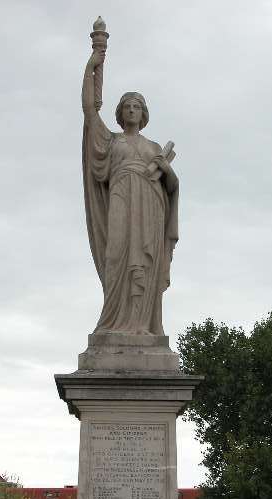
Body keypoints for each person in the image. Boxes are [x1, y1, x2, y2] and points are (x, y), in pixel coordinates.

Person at [82, 48, 179, 336]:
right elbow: (89, 112)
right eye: (127, 107)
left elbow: (172, 187)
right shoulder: (111, 142)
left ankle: (142, 326)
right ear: (120, 114)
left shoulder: (152, 147)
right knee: (116, 256)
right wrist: (92, 66)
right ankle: (113, 322)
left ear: (143, 113)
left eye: (136, 107)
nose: (131, 111)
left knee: (145, 265)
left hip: (150, 206)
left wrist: (167, 169)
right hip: (122, 198)